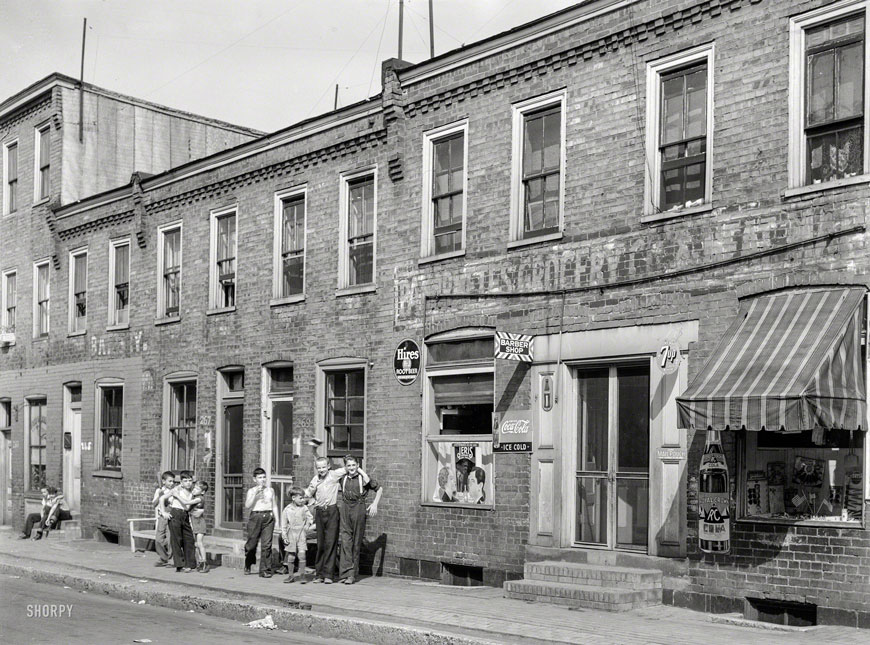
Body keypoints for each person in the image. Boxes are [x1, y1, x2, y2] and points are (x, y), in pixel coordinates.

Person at [304, 457, 369, 584]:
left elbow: (350, 468)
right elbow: (308, 494)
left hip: (332, 511)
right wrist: (312, 502)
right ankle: (319, 574)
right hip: (320, 512)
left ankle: (329, 575)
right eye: (319, 468)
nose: (321, 470)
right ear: (316, 468)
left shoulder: (334, 475)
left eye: (324, 467)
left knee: (331, 543)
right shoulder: (315, 479)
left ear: (328, 466)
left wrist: (360, 469)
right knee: (321, 544)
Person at [337, 455, 382, 585]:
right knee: (345, 541)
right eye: (348, 465)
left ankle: (352, 574)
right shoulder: (343, 478)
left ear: (358, 465)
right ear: (345, 466)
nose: (351, 468)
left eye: (353, 465)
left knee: (356, 542)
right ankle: (344, 573)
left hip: (358, 507)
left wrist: (374, 504)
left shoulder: (363, 478)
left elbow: (379, 489)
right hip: (345, 507)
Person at [244, 467, 280, 578]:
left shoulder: (270, 490)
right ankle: (248, 563)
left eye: (264, 477)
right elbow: (247, 505)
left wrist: (277, 520)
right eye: (260, 478)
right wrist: (255, 496)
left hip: (268, 517)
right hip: (256, 517)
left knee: (267, 545)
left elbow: (274, 505)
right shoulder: (251, 491)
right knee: (251, 544)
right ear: (255, 479)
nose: (263, 480)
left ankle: (265, 570)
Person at [161, 470, 197, 572]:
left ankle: (189, 564)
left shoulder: (193, 491)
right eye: (185, 481)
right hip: (175, 514)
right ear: (181, 482)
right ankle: (179, 565)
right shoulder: (177, 490)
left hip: (185, 515)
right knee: (176, 540)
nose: (188, 483)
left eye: (190, 480)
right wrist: (164, 512)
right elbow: (162, 498)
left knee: (189, 539)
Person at [281, 487, 313, 583]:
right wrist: (284, 536)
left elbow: (310, 518)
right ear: (293, 498)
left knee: (302, 555)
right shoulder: (287, 509)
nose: (302, 500)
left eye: (303, 498)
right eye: (300, 498)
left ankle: (302, 575)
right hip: (291, 533)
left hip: (301, 533)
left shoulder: (304, 508)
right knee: (291, 555)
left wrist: (307, 524)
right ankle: (291, 576)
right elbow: (284, 525)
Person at [151, 471, 175, 567]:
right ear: (163, 481)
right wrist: (160, 496)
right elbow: (154, 504)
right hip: (162, 517)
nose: (171, 483)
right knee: (159, 539)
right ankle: (163, 557)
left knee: (170, 539)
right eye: (169, 481)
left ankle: (171, 559)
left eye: (173, 481)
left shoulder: (175, 491)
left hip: (171, 516)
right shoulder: (159, 491)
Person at [188, 480, 210, 573]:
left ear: (202, 492)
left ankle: (204, 562)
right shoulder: (194, 497)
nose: (194, 489)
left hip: (199, 523)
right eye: (194, 487)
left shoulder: (199, 498)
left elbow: (187, 503)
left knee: (199, 543)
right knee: (195, 544)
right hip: (193, 523)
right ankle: (200, 561)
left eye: (197, 488)